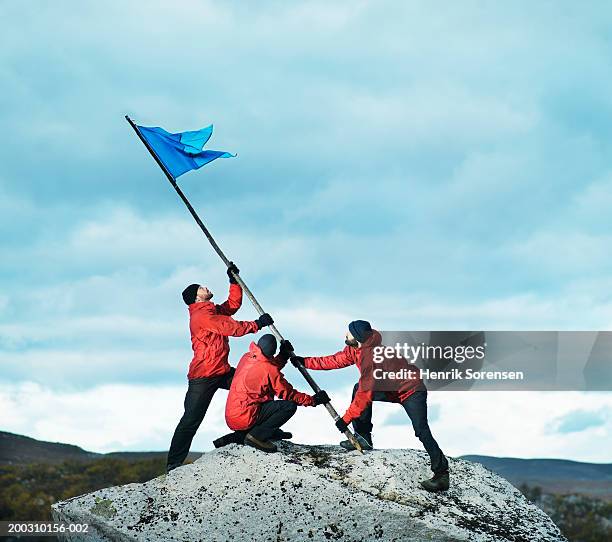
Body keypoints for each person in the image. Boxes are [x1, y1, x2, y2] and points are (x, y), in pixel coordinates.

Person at [291, 320, 450, 492]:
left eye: (349, 332)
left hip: (411, 390)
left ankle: (441, 474)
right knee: (357, 388)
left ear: (357, 336)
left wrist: (345, 419)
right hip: (390, 389)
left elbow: (364, 396)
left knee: (421, 429)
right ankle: (363, 437)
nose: (345, 335)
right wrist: (304, 362)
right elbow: (334, 360)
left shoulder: (371, 357)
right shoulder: (356, 349)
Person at [166, 262, 274, 473]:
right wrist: (257, 324)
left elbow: (232, 306)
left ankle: (255, 433)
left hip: (222, 370)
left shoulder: (211, 310)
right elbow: (230, 328)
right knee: (191, 420)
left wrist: (233, 281)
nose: (205, 287)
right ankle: (173, 464)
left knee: (260, 389)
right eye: (201, 287)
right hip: (203, 376)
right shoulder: (202, 316)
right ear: (197, 297)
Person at [219, 334, 330, 453]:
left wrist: (283, 356)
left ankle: (266, 431)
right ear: (271, 352)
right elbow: (288, 393)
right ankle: (256, 437)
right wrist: (313, 400)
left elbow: (268, 367)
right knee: (288, 406)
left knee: (265, 397)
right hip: (245, 417)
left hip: (233, 415)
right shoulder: (268, 369)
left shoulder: (247, 357)